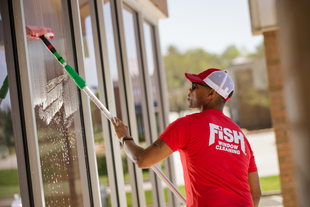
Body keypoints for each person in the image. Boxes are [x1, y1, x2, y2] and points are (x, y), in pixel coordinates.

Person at [112, 68, 261, 207]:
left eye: (195, 86)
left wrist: (124, 137)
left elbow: (142, 160)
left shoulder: (188, 124)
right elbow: (256, 194)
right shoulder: (240, 137)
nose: (189, 90)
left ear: (211, 94)